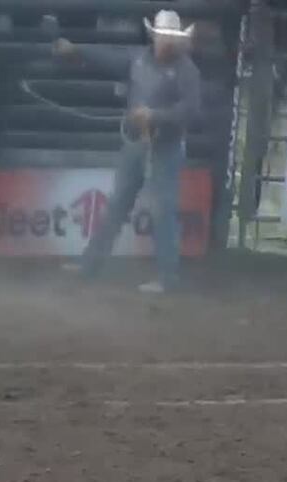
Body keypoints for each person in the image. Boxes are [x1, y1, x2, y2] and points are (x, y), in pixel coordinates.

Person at [55, 10, 201, 293]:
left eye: (172, 38)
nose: (168, 43)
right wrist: (79, 50)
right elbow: (107, 58)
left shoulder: (186, 70)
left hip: (165, 147)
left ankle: (167, 277)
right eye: (164, 37)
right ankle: (90, 264)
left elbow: (191, 111)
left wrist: (155, 116)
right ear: (155, 36)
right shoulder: (137, 59)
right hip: (137, 144)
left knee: (162, 209)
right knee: (118, 204)